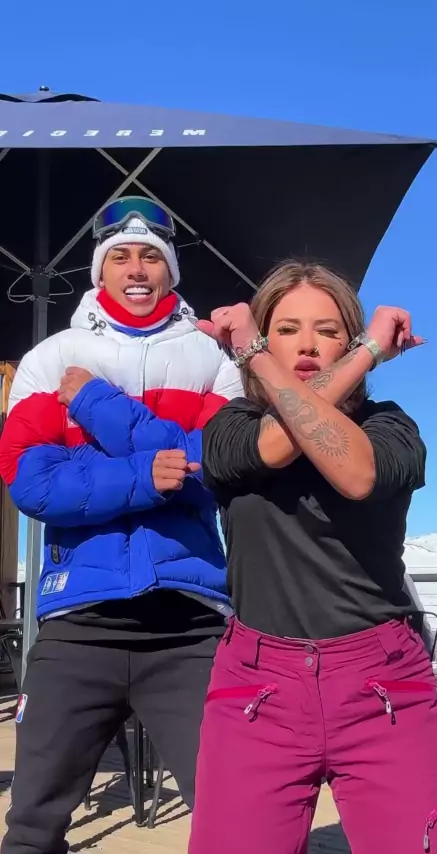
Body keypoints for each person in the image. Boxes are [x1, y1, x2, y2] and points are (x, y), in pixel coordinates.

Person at [188, 261, 437, 854]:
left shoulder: (389, 426)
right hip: (256, 688)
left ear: (350, 342)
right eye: (285, 329)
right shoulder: (231, 426)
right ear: (266, 340)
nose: (308, 345)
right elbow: (275, 445)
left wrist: (258, 350)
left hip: (382, 683)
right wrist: (366, 351)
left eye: (329, 330)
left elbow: (355, 474)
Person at [0, 196, 243, 854]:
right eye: (121, 258)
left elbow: (227, 468)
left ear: (170, 271)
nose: (136, 270)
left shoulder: (214, 360)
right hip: (77, 625)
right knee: (31, 828)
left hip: (191, 628)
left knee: (239, 824)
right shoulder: (51, 358)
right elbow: (32, 483)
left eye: (150, 258)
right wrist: (145, 475)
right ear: (99, 271)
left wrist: (96, 405)